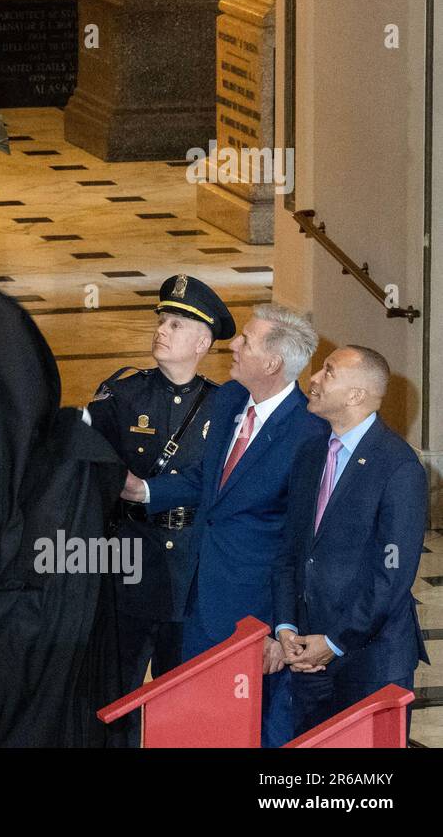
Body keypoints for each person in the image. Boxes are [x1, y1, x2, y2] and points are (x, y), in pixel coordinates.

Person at [122, 303, 325, 746]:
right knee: (202, 720)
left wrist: (279, 628)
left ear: (271, 363)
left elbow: (301, 545)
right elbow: (207, 480)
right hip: (197, 595)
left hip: (254, 615)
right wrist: (146, 491)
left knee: (256, 725)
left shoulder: (309, 433)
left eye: (246, 340)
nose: (232, 344)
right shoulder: (230, 399)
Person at [87, 274, 233, 746]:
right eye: (162, 320)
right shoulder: (124, 395)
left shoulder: (224, 407)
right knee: (117, 689)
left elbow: (215, 481)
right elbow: (87, 458)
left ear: (203, 341)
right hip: (129, 559)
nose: (162, 330)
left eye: (176, 324)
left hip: (190, 565)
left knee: (184, 684)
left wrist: (147, 490)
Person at [275, 346, 429, 737]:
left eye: (328, 372)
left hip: (370, 660)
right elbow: (291, 549)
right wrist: (286, 625)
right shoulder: (310, 453)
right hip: (307, 654)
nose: (314, 378)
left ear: (357, 395)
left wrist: (335, 641)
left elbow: (392, 574)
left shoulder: (398, 466)